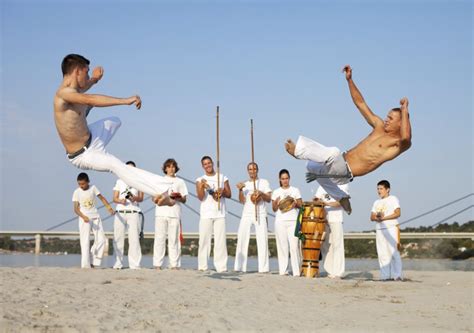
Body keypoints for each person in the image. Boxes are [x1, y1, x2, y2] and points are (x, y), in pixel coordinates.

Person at [285, 65, 412, 214]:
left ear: (400, 122)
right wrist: (350, 80)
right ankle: (342, 197)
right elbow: (361, 104)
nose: (386, 120)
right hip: (336, 166)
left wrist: (404, 109)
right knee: (311, 167)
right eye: (387, 116)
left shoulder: (396, 144)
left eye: (390, 118)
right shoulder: (378, 126)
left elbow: (406, 137)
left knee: (333, 151)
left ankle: (298, 151)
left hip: (345, 171)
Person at [54, 54, 172, 204]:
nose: (88, 76)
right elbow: (91, 99)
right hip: (83, 155)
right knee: (115, 165)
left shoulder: (75, 91)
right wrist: (125, 101)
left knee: (115, 121)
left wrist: (95, 80)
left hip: (92, 136)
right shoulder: (63, 94)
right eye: (87, 72)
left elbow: (86, 86)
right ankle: (161, 191)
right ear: (78, 71)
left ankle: (85, 115)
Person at [234, 162, 272, 273]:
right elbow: (242, 200)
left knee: (262, 240)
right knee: (242, 238)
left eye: (254, 169)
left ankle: (264, 268)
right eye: (250, 169)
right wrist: (240, 190)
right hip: (246, 214)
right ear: (248, 171)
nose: (252, 171)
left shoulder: (264, 182)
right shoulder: (245, 184)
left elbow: (269, 199)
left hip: (260, 213)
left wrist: (261, 193)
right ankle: (239, 267)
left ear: (257, 170)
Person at [196, 156, 231, 272]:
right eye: (205, 164)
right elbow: (200, 197)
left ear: (212, 163)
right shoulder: (200, 179)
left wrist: (222, 191)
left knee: (220, 241)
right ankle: (202, 266)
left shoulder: (222, 177)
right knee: (204, 241)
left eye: (209, 163)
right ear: (202, 166)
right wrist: (201, 187)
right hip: (206, 213)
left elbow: (229, 194)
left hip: (220, 213)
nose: (207, 165)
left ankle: (221, 267)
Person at [72, 172, 114, 268]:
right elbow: (75, 209)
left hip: (96, 217)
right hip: (84, 219)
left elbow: (102, 198)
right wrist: (83, 217)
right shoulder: (76, 192)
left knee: (101, 239)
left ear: (88, 182)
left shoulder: (93, 188)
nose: (81, 186)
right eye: (79, 184)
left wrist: (109, 208)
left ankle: (94, 261)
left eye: (83, 184)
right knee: (85, 241)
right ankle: (85, 265)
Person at [153, 158, 188, 270]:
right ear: (165, 168)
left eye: (173, 166)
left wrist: (177, 196)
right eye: (168, 166)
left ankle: (174, 265)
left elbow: (184, 199)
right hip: (161, 213)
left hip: (175, 213)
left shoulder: (180, 182)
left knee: (174, 240)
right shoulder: (159, 180)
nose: (171, 169)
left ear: (175, 168)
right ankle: (158, 264)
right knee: (159, 239)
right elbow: (153, 198)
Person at [112, 161, 144, 270]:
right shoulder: (119, 181)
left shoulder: (139, 181)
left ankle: (135, 264)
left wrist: (133, 198)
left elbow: (141, 198)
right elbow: (114, 198)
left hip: (134, 212)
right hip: (120, 212)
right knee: (118, 238)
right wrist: (120, 200)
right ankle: (118, 263)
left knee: (134, 239)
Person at [271, 169, 303, 276]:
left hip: (293, 221)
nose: (285, 180)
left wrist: (295, 203)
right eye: (283, 179)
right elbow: (274, 209)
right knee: (282, 246)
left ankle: (297, 272)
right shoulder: (276, 192)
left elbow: (301, 205)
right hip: (280, 221)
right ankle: (283, 271)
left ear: (289, 178)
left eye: (286, 178)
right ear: (280, 180)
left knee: (294, 247)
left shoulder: (295, 190)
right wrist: (276, 202)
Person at [314, 184, 349, 279]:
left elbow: (341, 202)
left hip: (336, 218)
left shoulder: (343, 185)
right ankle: (330, 270)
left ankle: (338, 272)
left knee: (337, 245)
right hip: (323, 218)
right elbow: (315, 199)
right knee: (326, 245)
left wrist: (326, 204)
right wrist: (318, 202)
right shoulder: (322, 185)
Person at [370, 180, 403, 281]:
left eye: (381, 189)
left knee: (393, 252)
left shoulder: (393, 199)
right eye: (378, 189)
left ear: (387, 189)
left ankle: (397, 275)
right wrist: (378, 218)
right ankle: (385, 276)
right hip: (380, 229)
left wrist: (384, 218)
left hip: (391, 228)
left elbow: (398, 213)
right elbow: (371, 217)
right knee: (382, 253)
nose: (379, 191)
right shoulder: (376, 202)